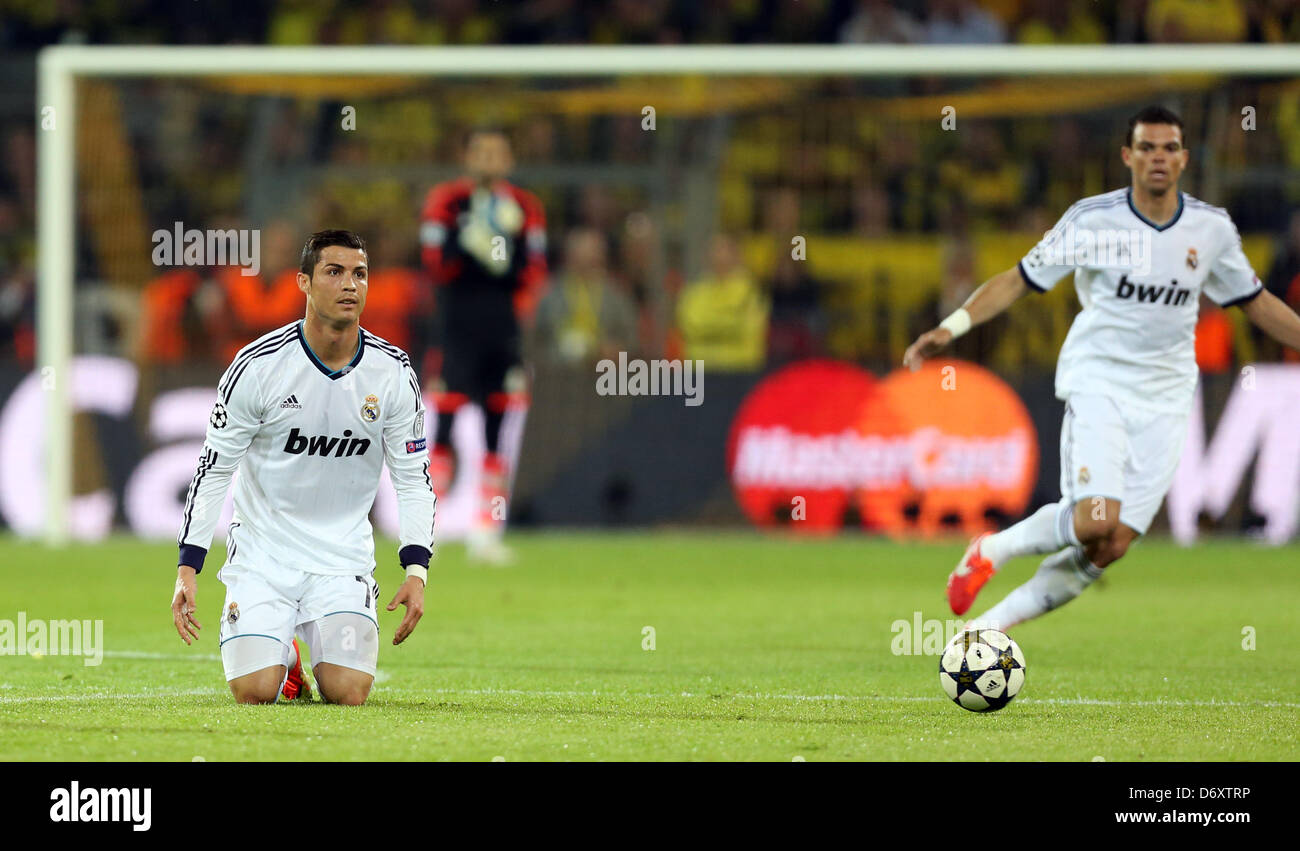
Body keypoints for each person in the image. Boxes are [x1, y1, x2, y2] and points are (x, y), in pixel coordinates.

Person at [903, 106, 1300, 630]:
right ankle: (991, 549)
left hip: (1167, 396)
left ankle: (982, 633)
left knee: (1109, 545)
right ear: (1127, 156)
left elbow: (1256, 301)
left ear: (1183, 158)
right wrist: (951, 326)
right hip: (1101, 381)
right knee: (1095, 518)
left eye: (1168, 148)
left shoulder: (1211, 231)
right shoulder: (1093, 220)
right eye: (1147, 148)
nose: (1158, 158)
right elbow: (1019, 278)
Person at [171, 230, 435, 705]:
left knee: (348, 692)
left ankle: (305, 646)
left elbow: (413, 477)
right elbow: (214, 469)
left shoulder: (392, 373)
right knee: (254, 691)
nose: (350, 285)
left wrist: (416, 569)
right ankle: (287, 661)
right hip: (262, 559)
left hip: (342, 561)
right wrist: (188, 566)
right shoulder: (257, 367)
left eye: (359, 274)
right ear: (304, 283)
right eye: (334, 272)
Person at [419, 127, 547, 564]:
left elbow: (533, 270)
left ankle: (486, 533)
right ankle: (422, 530)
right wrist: (472, 242)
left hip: (502, 330)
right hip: (456, 327)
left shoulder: (525, 207)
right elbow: (437, 262)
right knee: (444, 425)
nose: (489, 160)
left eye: (497, 152)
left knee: (496, 432)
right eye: (481, 152)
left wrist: (502, 254)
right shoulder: (446, 202)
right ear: (468, 157)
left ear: (508, 160)